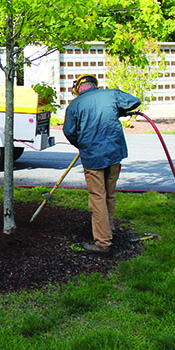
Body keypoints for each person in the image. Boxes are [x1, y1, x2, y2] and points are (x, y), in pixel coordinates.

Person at [62, 75, 141, 254]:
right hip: (114, 154)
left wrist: (82, 144)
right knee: (110, 194)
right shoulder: (111, 95)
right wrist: (119, 111)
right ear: (93, 85)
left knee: (97, 198)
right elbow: (134, 102)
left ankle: (103, 243)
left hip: (93, 158)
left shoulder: (75, 105)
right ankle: (109, 230)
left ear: (79, 88)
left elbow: (69, 132)